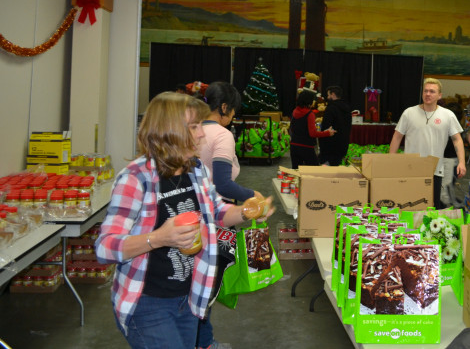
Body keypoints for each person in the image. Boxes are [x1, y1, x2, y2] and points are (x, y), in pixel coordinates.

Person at [95, 92, 274, 349]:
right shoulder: (135, 179)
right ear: (168, 131)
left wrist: (247, 211)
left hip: (190, 297)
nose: (201, 134)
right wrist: (159, 238)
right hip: (148, 304)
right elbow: (105, 247)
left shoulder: (196, 170)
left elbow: (217, 212)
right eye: (194, 127)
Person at [197, 82, 263, 349]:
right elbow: (222, 184)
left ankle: (201, 340)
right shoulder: (222, 135)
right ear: (224, 107)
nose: (233, 116)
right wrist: (252, 194)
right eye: (233, 110)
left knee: (193, 282)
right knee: (208, 283)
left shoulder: (191, 129)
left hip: (187, 213)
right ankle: (203, 343)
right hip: (215, 216)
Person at [389, 78, 465, 209]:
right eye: (425, 91)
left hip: (435, 170)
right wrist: (391, 159)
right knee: (409, 204)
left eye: (432, 91)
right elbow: (397, 137)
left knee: (432, 207)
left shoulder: (448, 115)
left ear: (439, 95)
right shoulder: (409, 113)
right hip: (410, 168)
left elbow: (457, 139)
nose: (428, 94)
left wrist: (462, 162)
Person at [290, 88, 335, 167]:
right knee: (314, 170)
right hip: (306, 146)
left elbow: (291, 129)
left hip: (294, 145)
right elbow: (312, 133)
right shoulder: (309, 114)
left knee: (296, 170)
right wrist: (327, 133)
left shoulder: (295, 111)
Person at [319, 86, 352, 166]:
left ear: (333, 94)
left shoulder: (330, 108)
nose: (327, 97)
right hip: (343, 145)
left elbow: (326, 127)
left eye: (328, 95)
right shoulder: (347, 108)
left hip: (330, 147)